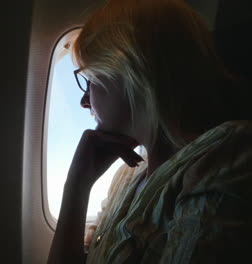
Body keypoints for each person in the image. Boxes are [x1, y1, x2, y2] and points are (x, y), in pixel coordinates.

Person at [47, 0, 252, 263]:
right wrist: (77, 186)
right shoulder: (126, 177)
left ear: (133, 70)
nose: (84, 101)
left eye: (91, 80)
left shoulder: (224, 159)